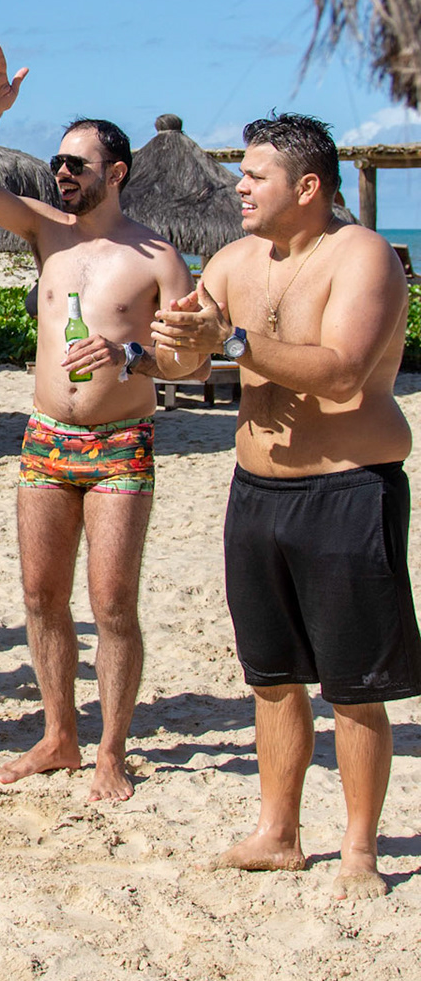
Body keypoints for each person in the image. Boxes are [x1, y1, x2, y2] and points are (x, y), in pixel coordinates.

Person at [153, 113, 419, 899]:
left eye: (255, 175)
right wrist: (179, 341)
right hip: (257, 492)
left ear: (307, 187)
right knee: (271, 677)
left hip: (346, 489)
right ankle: (278, 832)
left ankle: (361, 847)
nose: (238, 186)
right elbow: (182, 358)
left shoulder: (364, 255)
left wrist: (227, 339)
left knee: (354, 685)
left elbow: (340, 374)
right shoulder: (233, 259)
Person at [0, 46, 195, 801]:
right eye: (59, 164)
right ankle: (59, 735)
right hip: (46, 436)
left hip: (122, 443)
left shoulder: (157, 255)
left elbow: (188, 366)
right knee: (39, 596)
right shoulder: (45, 231)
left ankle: (112, 749)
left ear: (115, 172)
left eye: (77, 165)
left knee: (113, 603)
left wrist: (130, 351)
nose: (63, 174)